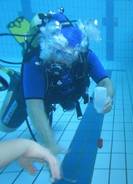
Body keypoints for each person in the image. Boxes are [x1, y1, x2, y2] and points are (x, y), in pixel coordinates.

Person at [0, 9, 114, 154]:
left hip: (60, 92)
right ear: (49, 48)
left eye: (70, 52)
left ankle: (47, 107)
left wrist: (108, 97)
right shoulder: (35, 62)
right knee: (6, 127)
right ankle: (16, 83)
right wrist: (50, 144)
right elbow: (34, 107)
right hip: (38, 95)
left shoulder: (84, 55)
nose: (65, 59)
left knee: (67, 106)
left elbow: (105, 82)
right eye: (58, 52)